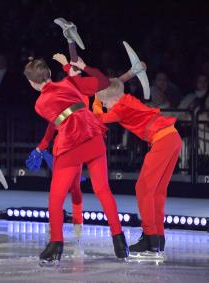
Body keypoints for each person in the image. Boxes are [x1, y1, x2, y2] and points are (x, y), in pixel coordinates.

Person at [23, 56, 129, 265]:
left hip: (72, 143)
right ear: (50, 74)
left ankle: (56, 245)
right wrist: (77, 68)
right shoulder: (69, 82)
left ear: (32, 83)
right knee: (103, 190)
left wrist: (42, 146)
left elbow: (56, 122)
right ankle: (119, 241)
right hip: (93, 135)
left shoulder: (39, 104)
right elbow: (104, 83)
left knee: (56, 197)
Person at [94, 76, 182, 258]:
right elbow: (117, 84)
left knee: (143, 189)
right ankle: (157, 237)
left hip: (163, 140)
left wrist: (95, 98)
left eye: (105, 103)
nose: (106, 106)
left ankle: (150, 238)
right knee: (156, 191)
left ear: (112, 100)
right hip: (173, 138)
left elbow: (97, 119)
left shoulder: (119, 108)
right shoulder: (127, 99)